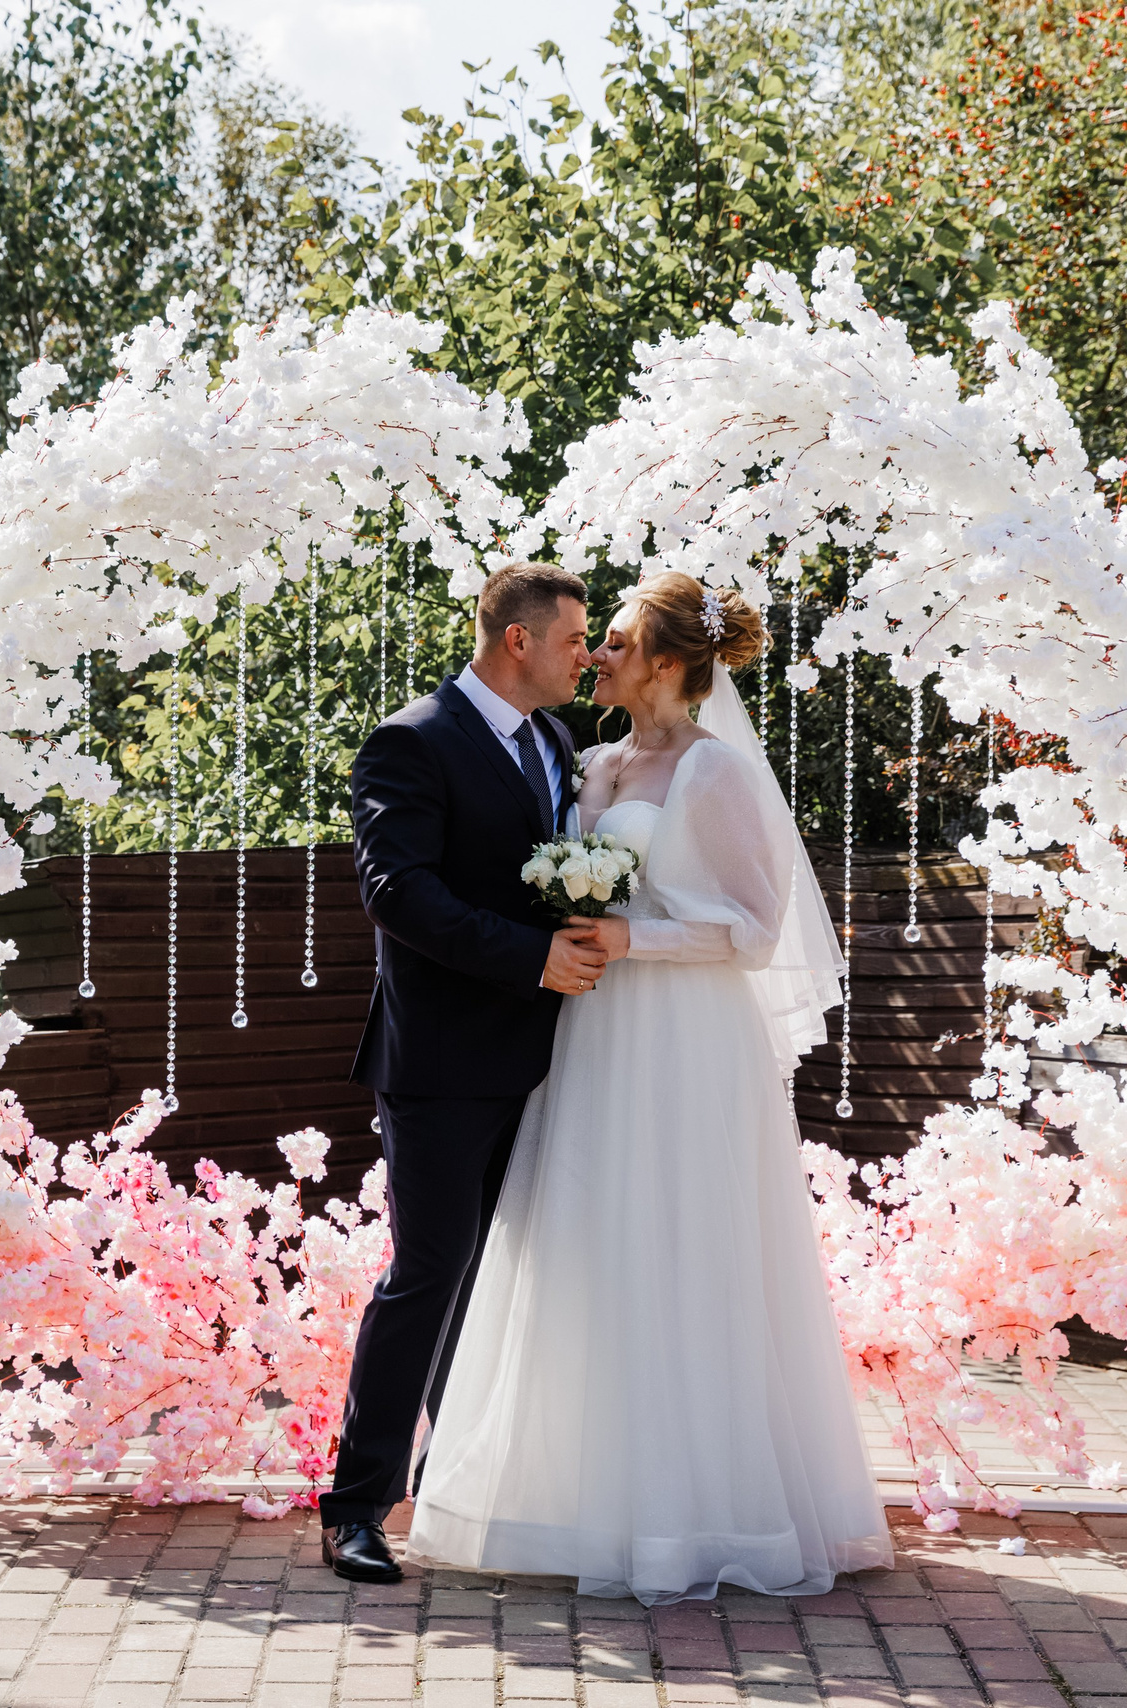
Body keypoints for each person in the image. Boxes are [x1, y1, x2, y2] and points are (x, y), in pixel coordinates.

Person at [404, 569, 897, 1604]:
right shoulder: (589, 764)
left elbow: (757, 929)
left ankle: (702, 1507)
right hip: (592, 1029)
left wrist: (636, 937)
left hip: (682, 1033)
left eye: (616, 641)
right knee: (593, 1243)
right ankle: (591, 1495)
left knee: (687, 1242)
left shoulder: (714, 772)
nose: (596, 656)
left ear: (666, 663)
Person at [320, 560, 611, 1584]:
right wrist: (533, 955)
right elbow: (398, 893)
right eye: (575, 638)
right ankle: (355, 1504)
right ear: (518, 639)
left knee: (497, 1281)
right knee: (428, 1271)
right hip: (440, 1060)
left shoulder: (556, 741)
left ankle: (455, 1483)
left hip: (543, 1056)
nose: (591, 655)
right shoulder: (412, 740)